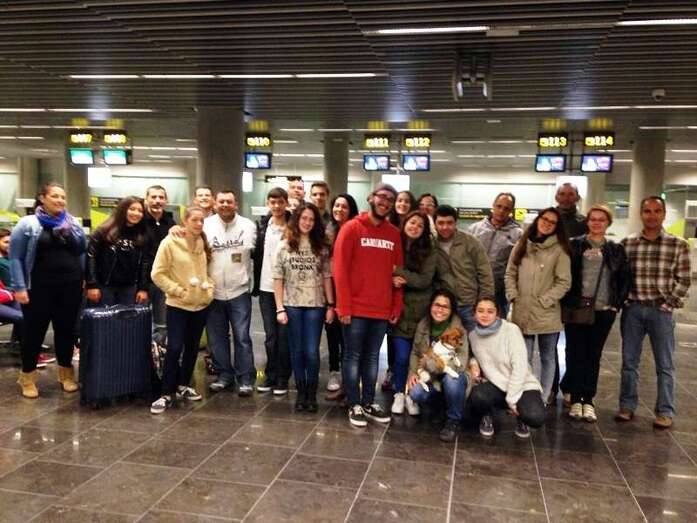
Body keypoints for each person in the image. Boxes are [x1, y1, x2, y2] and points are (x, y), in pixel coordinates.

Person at [616, 196, 691, 429]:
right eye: (647, 211)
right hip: (633, 310)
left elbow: (684, 279)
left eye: (657, 211)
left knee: (664, 364)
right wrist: (623, 300)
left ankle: (665, 411)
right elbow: (619, 277)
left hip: (661, 311)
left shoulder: (678, 245)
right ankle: (627, 406)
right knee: (629, 362)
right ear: (641, 214)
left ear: (664, 214)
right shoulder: (627, 244)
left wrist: (668, 305)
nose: (652, 215)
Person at [333, 183, 403, 427]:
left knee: (372, 358)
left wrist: (396, 305)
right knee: (352, 357)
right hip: (355, 309)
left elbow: (398, 274)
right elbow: (340, 270)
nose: (386, 202)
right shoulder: (351, 228)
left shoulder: (394, 234)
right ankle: (354, 404)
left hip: (381, 309)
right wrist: (343, 307)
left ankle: (368, 402)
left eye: (391, 199)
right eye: (382, 197)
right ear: (371, 198)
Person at [10, 182, 86, 398]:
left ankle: (66, 375)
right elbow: (15, 257)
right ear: (42, 198)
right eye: (55, 196)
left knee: (66, 332)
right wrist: (19, 287)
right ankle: (27, 378)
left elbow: (81, 252)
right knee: (33, 333)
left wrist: (85, 278)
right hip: (38, 288)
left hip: (70, 287)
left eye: (63, 197)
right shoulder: (27, 224)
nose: (60, 200)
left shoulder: (73, 224)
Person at [563, 205, 630, 422]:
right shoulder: (574, 244)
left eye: (601, 220)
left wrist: (616, 304)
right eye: (593, 219)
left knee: (593, 355)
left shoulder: (615, 249)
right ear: (587, 221)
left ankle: (588, 399)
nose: (597, 223)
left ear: (608, 223)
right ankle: (575, 398)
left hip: (603, 310)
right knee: (575, 353)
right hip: (577, 308)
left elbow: (623, 278)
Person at [150, 206, 214, 414]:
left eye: (201, 220)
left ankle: (183, 385)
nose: (199, 224)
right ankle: (166, 392)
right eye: (194, 220)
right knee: (175, 347)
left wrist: (209, 289)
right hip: (178, 305)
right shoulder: (169, 242)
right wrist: (178, 291)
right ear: (184, 221)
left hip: (200, 305)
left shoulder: (202, 241)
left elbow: (205, 271)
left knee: (192, 347)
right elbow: (157, 274)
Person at [505, 207, 571, 405]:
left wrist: (545, 301)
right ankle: (524, 394)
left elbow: (564, 282)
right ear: (538, 219)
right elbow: (510, 273)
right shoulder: (523, 243)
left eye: (552, 222)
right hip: (522, 311)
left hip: (547, 314)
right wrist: (513, 296)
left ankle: (543, 397)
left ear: (557, 227)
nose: (547, 224)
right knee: (522, 357)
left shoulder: (560, 250)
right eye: (544, 219)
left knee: (548, 357)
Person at [274, 203, 334, 412]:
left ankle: (311, 392)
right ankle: (300, 392)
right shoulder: (284, 246)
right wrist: (279, 308)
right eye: (304, 218)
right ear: (297, 220)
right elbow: (278, 278)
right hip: (291, 304)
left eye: (311, 219)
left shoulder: (321, 247)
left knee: (311, 351)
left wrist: (331, 305)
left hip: (315, 305)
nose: (307, 222)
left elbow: (327, 277)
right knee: (296, 351)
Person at [204, 190, 257, 397]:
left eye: (229, 201)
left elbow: (255, 254)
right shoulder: (205, 226)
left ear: (236, 204)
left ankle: (246, 378)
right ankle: (224, 375)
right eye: (221, 201)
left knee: (242, 337)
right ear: (215, 204)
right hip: (213, 292)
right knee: (217, 338)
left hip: (239, 291)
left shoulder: (248, 226)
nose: (225, 204)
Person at [468, 297, 546, 439]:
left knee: (535, 417)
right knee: (477, 396)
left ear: (497, 313)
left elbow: (520, 367)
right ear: (474, 314)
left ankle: (521, 417)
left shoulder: (511, 330)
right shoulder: (473, 336)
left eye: (490, 311)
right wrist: (473, 363)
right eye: (480, 311)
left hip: (522, 384)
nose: (485, 315)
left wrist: (512, 399)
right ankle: (487, 416)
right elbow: (475, 355)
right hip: (496, 384)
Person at [390, 211, 438, 415]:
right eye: (412, 222)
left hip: (421, 313)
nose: (415, 227)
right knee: (401, 357)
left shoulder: (430, 250)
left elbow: (424, 280)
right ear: (405, 223)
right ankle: (399, 393)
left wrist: (398, 272)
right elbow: (383, 269)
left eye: (420, 225)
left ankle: (412, 395)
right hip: (398, 310)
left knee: (418, 358)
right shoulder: (395, 243)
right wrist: (391, 278)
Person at [407, 290, 468, 442]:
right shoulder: (423, 325)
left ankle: (453, 420)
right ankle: (439, 406)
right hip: (431, 375)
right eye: (437, 305)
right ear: (431, 306)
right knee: (416, 393)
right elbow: (415, 352)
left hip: (452, 373)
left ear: (451, 310)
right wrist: (412, 372)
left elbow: (461, 362)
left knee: (452, 381)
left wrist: (432, 365)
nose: (440, 310)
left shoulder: (458, 329)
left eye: (445, 307)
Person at [253, 187, 291, 396]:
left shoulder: (293, 226)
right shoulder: (262, 226)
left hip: (289, 289)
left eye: (280, 202)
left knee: (284, 336)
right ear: (268, 203)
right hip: (266, 287)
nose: (276, 206)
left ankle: (283, 377)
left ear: (286, 203)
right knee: (271, 336)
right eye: (272, 202)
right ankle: (271, 374)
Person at [434, 204, 494, 332]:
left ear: (456, 223)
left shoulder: (471, 242)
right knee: (448, 342)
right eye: (441, 223)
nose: (445, 227)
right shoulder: (431, 245)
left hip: (470, 304)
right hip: (445, 306)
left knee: (477, 340)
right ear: (435, 224)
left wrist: (484, 304)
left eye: (449, 223)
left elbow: (485, 274)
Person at [85, 196, 150, 307]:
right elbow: (91, 256)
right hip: (104, 287)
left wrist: (143, 288)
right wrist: (92, 285)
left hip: (130, 289)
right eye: (132, 209)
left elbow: (144, 263)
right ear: (123, 210)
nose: (136, 213)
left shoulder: (142, 234)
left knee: (127, 318)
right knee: (105, 317)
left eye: (140, 211)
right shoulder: (103, 230)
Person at [324, 193, 359, 398]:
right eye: (336, 205)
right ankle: (334, 372)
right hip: (331, 290)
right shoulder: (328, 231)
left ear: (351, 209)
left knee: (349, 340)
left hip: (350, 291)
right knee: (332, 333)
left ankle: (349, 383)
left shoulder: (355, 230)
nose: (339, 209)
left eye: (344, 206)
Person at [468, 192, 523, 316]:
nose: (501, 211)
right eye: (499, 206)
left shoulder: (518, 234)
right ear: (493, 205)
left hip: (500, 293)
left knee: (497, 325)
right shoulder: (474, 229)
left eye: (506, 208)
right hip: (473, 289)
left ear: (511, 211)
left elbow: (517, 266)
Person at [385, 190, 418, 390]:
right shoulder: (388, 228)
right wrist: (390, 277)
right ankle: (392, 371)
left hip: (413, 296)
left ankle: (409, 379)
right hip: (391, 292)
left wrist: (399, 274)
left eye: (407, 201)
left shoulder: (420, 235)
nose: (402, 204)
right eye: (399, 200)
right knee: (392, 335)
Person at [143, 185, 177, 345]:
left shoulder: (171, 223)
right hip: (142, 282)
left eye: (161, 197)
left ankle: (158, 355)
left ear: (166, 200)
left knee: (162, 324)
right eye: (153, 197)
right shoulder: (139, 221)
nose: (157, 201)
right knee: (140, 321)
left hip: (163, 282)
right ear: (146, 199)